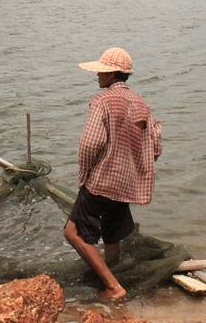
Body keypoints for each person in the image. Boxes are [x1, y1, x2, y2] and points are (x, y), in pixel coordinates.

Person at [63, 47, 163, 301]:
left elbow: (90, 144)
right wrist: (134, 164)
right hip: (126, 183)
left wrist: (84, 175)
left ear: (114, 75)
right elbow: (156, 146)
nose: (97, 75)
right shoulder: (141, 104)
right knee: (111, 233)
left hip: (102, 181)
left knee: (72, 233)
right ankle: (113, 273)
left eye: (102, 71)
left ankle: (113, 286)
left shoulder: (102, 102)